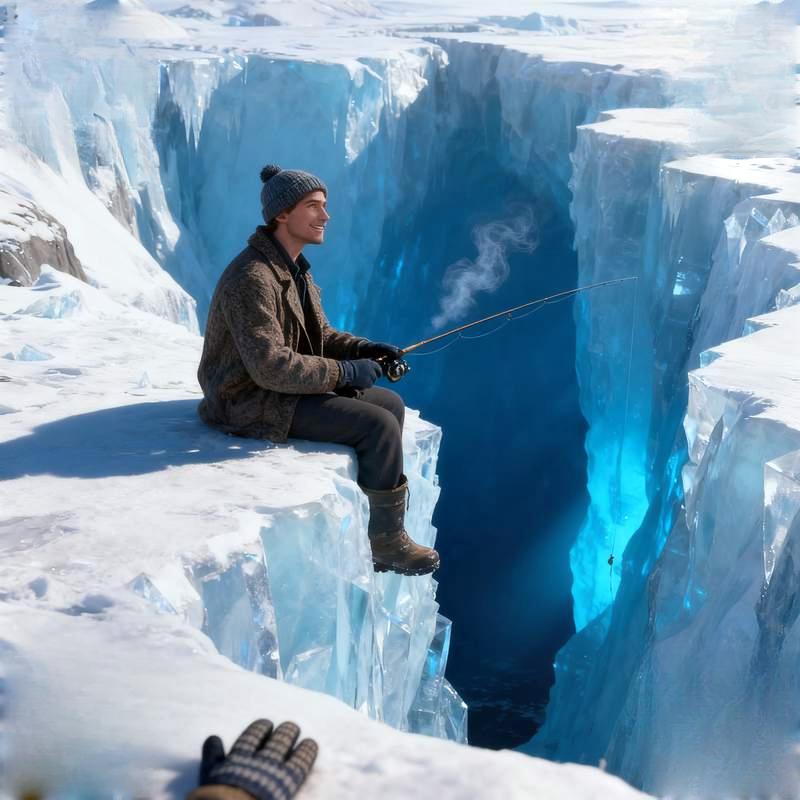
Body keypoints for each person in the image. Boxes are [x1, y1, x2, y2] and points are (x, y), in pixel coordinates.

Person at [197, 164, 439, 576]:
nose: (325, 216)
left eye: (324, 206)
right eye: (313, 207)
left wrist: (366, 349)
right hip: (247, 399)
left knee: (389, 404)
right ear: (281, 215)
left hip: (279, 387)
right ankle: (385, 544)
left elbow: (320, 334)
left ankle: (378, 527)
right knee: (376, 426)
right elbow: (270, 367)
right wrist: (345, 374)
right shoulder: (252, 278)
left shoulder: (294, 269)